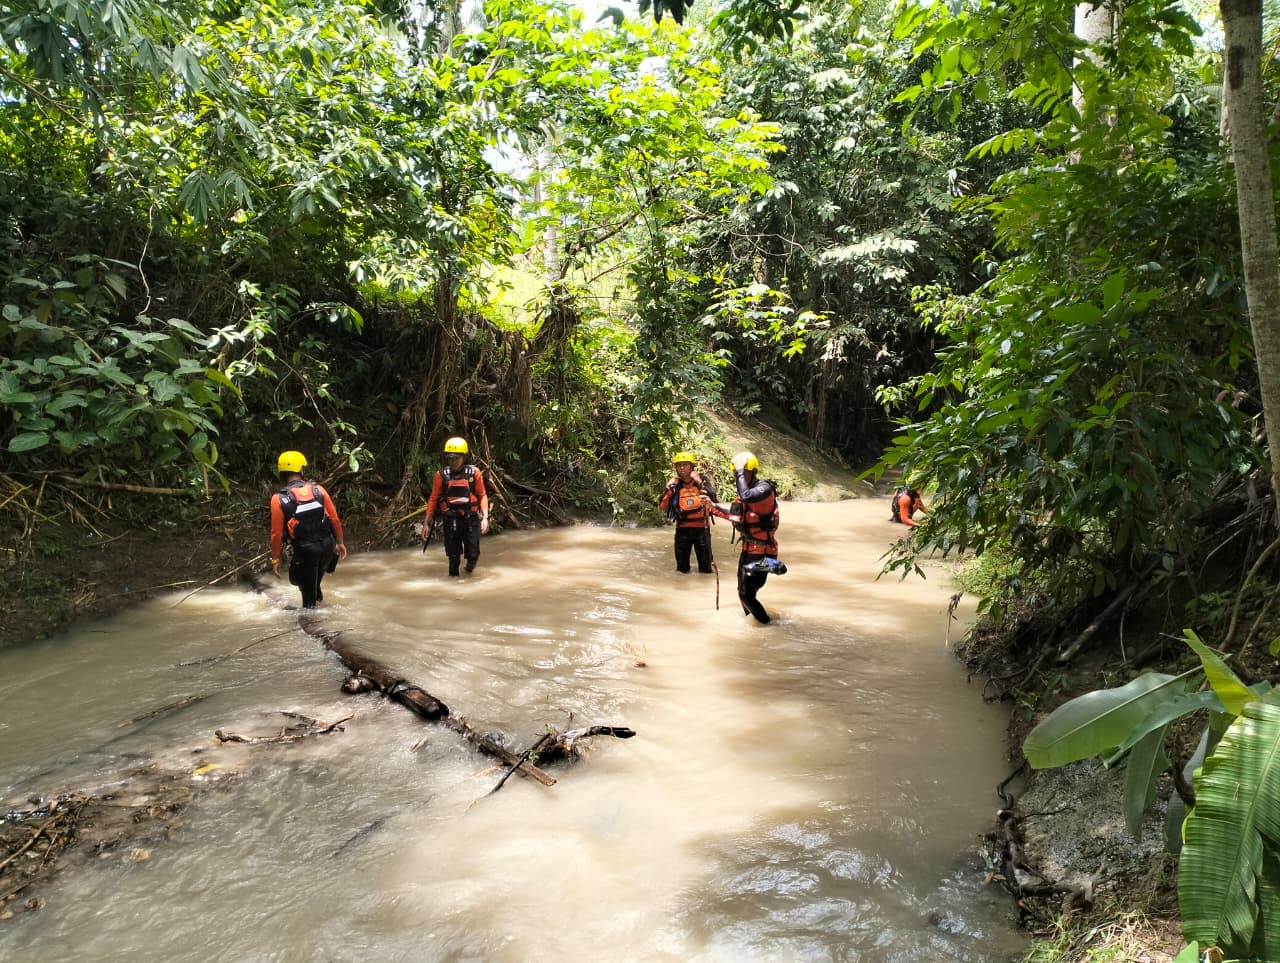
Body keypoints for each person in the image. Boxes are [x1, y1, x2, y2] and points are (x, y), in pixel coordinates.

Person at [711, 451, 784, 624]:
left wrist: (739, 470)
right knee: (743, 592)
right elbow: (736, 517)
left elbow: (746, 496)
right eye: (735, 474)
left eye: (741, 473)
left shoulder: (764, 489)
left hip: (764, 553)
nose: (737, 477)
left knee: (746, 593)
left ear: (752, 471)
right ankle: (753, 623)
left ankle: (767, 625)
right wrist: (712, 507)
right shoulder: (747, 494)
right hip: (748, 551)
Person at [269, 450, 348, 608]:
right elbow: (334, 519)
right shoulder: (319, 490)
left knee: (308, 602)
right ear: (301, 469)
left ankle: (313, 627)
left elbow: (276, 534)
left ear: (281, 472)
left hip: (306, 552)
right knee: (315, 585)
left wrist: (276, 558)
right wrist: (339, 542)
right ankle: (320, 608)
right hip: (327, 547)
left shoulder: (278, 499)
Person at [422, 436, 491, 576]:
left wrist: (485, 517)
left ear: (464, 457)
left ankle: (468, 571)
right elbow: (434, 498)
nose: (452, 461)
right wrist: (426, 523)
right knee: (453, 558)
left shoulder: (474, 473)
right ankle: (454, 584)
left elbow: (482, 495)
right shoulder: (441, 475)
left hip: (470, 518)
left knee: (473, 555)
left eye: (456, 458)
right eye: (450, 458)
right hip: (451, 519)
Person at [658, 451, 718, 574]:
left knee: (706, 570)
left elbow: (714, 498)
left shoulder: (702, 480)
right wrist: (668, 489)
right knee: (682, 570)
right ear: (676, 468)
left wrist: (699, 481)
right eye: (679, 465)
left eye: (685, 465)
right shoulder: (675, 484)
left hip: (702, 529)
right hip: (682, 530)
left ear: (692, 466)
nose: (682, 468)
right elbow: (662, 506)